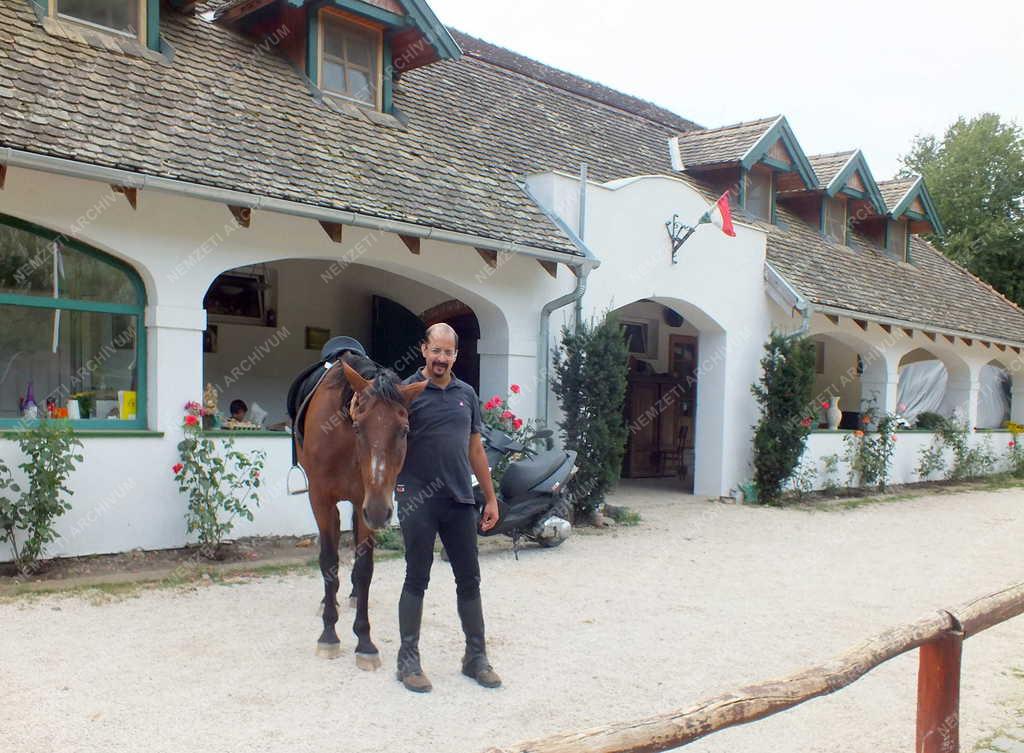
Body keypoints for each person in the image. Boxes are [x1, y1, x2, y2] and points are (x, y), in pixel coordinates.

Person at [394, 323, 501, 693]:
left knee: (469, 579)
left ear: (456, 355)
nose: (441, 358)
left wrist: (489, 497)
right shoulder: (406, 392)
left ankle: (475, 658)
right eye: (435, 350)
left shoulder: (466, 394)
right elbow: (383, 439)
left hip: (459, 497)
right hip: (416, 496)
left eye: (448, 352)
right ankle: (408, 659)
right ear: (424, 349)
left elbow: (475, 449)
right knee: (417, 577)